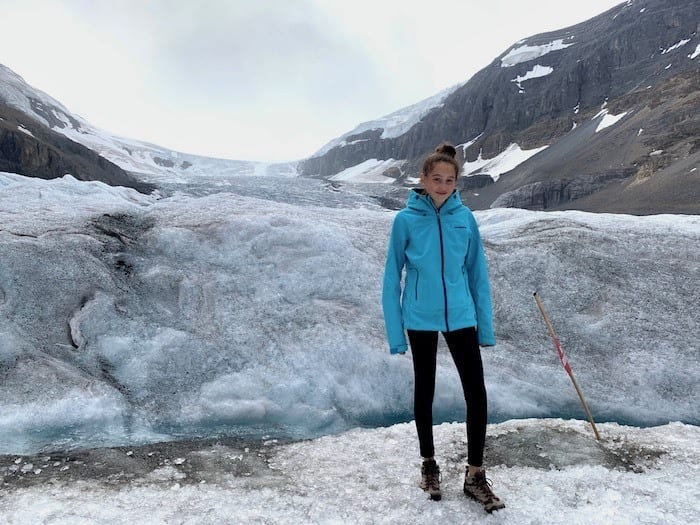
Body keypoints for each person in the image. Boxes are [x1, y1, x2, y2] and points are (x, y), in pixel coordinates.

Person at [382, 142, 505, 512]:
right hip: (419, 315)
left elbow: (477, 274)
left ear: (456, 182)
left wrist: (485, 327)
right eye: (436, 179)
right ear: (422, 179)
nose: (443, 185)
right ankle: (429, 465)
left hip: (461, 315)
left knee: (476, 392)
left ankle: (475, 475)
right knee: (426, 389)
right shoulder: (405, 220)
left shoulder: (464, 218)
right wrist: (395, 334)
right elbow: (392, 276)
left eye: (449, 180)